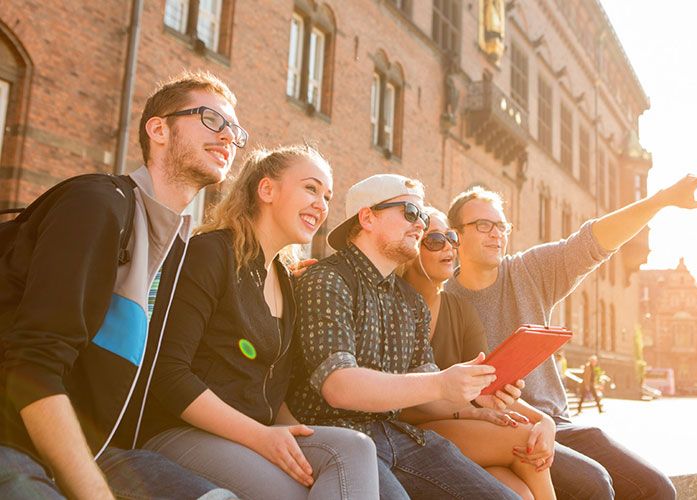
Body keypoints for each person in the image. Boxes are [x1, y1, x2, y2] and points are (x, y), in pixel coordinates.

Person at [0, 71, 243, 499]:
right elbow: (32, 369)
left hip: (98, 447)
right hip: (14, 437)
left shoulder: (172, 243)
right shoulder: (96, 205)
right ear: (158, 129)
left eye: (235, 131)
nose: (228, 137)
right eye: (212, 119)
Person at [445, 170, 697, 499]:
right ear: (456, 235)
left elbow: (592, 242)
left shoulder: (528, 272)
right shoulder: (443, 299)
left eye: (502, 225)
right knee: (594, 486)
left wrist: (661, 200)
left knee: (657, 489)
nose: (496, 234)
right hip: (502, 434)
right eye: (483, 225)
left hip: (559, 424)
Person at [140, 146, 380, 499]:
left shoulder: (284, 278)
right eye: (311, 189)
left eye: (326, 196)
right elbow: (168, 374)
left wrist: (288, 437)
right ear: (266, 190)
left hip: (256, 433)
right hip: (181, 432)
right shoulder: (209, 253)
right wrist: (261, 437)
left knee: (356, 448)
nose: (322, 204)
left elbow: (269, 388)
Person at [288, 174, 521, 499]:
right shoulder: (327, 280)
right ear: (367, 217)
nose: (420, 225)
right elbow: (338, 386)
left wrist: (474, 397)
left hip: (398, 436)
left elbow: (425, 390)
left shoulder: (410, 302)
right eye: (410, 213)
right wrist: (442, 383)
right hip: (335, 438)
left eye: (422, 216)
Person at [398, 207, 556, 500]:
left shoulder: (461, 311)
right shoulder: (392, 304)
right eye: (434, 240)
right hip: (407, 430)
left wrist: (544, 420)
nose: (448, 247)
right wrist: (468, 410)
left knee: (520, 491)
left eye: (451, 238)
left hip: (460, 423)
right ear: (410, 247)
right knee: (525, 443)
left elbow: (487, 388)